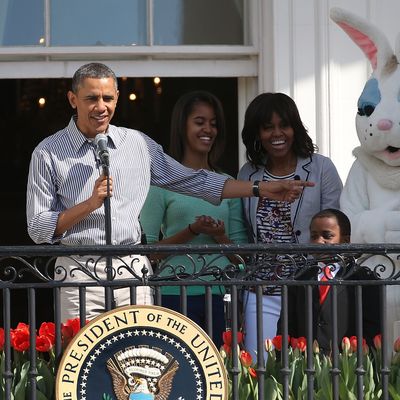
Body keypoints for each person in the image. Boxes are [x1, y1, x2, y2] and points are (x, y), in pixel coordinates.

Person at [26, 63, 313, 322]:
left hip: (130, 267)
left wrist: (260, 189)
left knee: (135, 360)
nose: (101, 106)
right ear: (73, 99)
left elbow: (195, 181)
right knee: (82, 364)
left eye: (108, 98)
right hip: (79, 268)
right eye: (91, 98)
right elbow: (38, 229)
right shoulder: (48, 152)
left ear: (117, 98)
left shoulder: (136, 143)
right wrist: (90, 204)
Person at [237, 92, 343, 360]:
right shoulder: (248, 173)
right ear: (257, 133)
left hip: (307, 287)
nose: (277, 133)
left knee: (308, 368)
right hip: (262, 288)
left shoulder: (321, 168)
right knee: (258, 367)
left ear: (294, 127)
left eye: (283, 125)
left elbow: (336, 226)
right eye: (267, 127)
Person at [140, 91, 248, 347]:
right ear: (183, 126)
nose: (208, 129)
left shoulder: (226, 185)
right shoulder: (161, 184)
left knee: (221, 373)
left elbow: (243, 257)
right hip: (174, 295)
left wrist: (220, 237)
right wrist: (191, 231)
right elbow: (146, 253)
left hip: (220, 295)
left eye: (213, 123)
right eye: (200, 122)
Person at [277, 208, 381, 354]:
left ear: (345, 240)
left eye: (327, 236)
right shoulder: (299, 277)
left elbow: (372, 327)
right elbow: (287, 325)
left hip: (347, 364)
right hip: (307, 364)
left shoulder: (362, 278)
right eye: (314, 236)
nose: (319, 241)